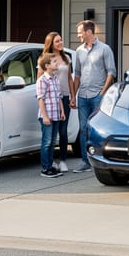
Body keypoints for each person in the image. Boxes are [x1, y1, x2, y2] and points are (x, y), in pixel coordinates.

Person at [72, 19, 117, 173]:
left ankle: (99, 160)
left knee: (97, 129)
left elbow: (111, 72)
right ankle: (86, 162)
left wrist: (103, 92)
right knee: (83, 129)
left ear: (89, 32)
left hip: (98, 95)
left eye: (80, 33)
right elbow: (77, 74)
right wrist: (73, 95)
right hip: (82, 96)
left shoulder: (105, 49)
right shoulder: (79, 51)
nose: (79, 36)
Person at [37, 31, 75, 173]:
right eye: (57, 41)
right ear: (51, 44)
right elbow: (40, 80)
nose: (60, 43)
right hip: (50, 100)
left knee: (63, 131)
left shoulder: (66, 58)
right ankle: (49, 162)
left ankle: (63, 160)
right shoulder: (45, 59)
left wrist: (72, 96)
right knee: (50, 135)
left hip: (63, 98)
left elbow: (70, 78)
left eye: (61, 40)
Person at [36, 52, 65, 178]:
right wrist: (45, 116)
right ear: (47, 65)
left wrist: (62, 111)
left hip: (56, 115)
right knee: (46, 142)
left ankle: (51, 166)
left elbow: (59, 97)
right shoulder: (42, 80)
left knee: (53, 142)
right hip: (47, 116)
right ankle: (45, 168)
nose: (57, 63)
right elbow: (40, 99)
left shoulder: (56, 79)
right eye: (54, 62)